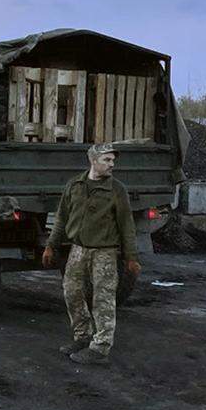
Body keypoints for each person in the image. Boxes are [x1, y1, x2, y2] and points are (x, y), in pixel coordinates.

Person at [41, 142, 141, 365]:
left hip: (104, 252)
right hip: (78, 249)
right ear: (93, 161)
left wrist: (131, 257)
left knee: (103, 298)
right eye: (107, 160)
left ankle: (100, 348)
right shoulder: (75, 185)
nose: (111, 164)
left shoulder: (117, 190)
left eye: (113, 160)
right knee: (72, 292)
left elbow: (127, 226)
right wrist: (51, 245)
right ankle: (82, 337)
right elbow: (61, 217)